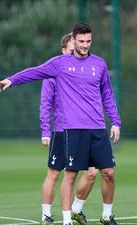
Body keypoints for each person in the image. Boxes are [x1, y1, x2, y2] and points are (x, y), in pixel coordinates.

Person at [0, 23, 121, 225]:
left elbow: (107, 94)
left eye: (88, 41)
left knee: (108, 172)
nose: (85, 45)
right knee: (69, 175)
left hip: (97, 128)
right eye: (81, 41)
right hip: (73, 129)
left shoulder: (100, 64)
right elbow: (35, 72)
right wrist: (11, 80)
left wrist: (115, 121)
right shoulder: (60, 64)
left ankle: (107, 215)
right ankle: (65, 220)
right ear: (74, 41)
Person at [40, 33, 98, 225]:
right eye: (72, 49)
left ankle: (75, 210)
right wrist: (45, 131)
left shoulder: (81, 70)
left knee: (90, 173)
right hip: (60, 131)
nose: (77, 52)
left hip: (81, 129)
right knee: (55, 174)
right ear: (64, 50)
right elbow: (45, 104)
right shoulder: (53, 73)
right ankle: (46, 215)